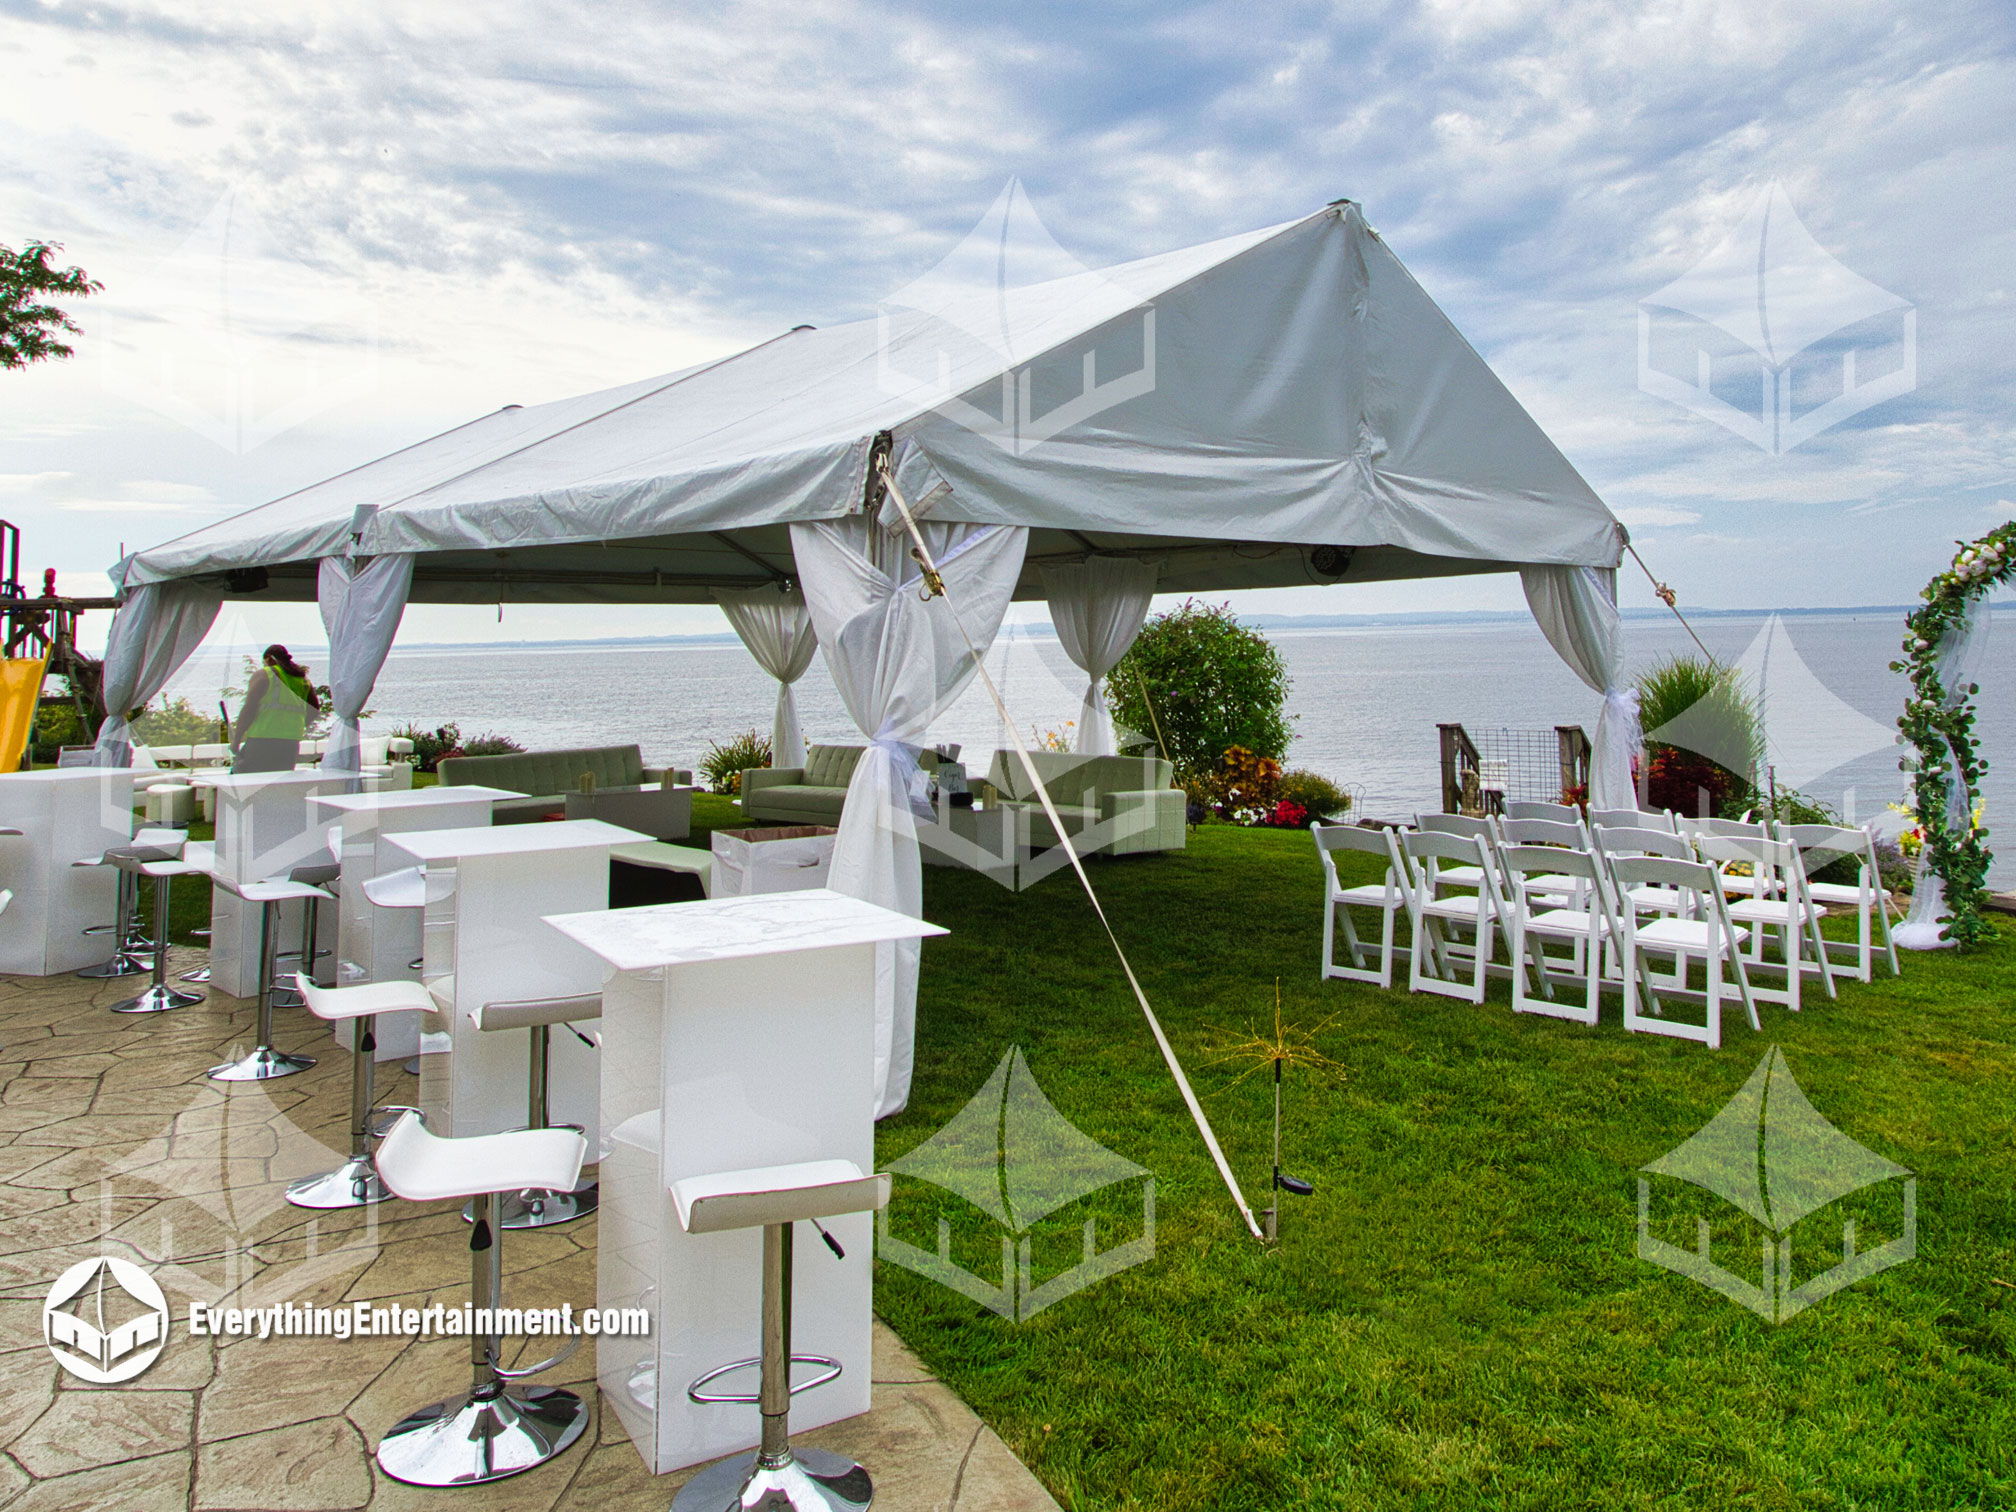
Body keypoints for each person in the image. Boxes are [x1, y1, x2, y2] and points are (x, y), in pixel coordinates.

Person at [230, 645, 320, 773]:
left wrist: (236, 740)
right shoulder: (302, 680)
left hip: (262, 740)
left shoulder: (265, 674)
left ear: (269, 659)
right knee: (279, 785)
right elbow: (314, 709)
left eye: (264, 662)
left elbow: (248, 709)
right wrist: (300, 725)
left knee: (247, 782)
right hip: (290, 743)